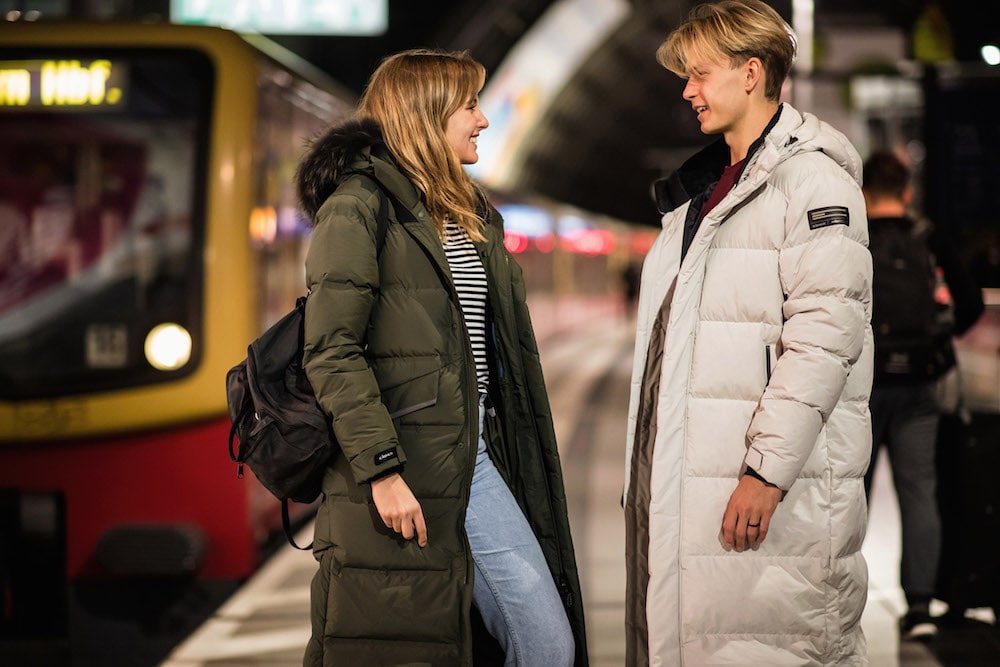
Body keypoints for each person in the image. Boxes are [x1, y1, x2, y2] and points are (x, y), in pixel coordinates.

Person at [295, 49, 587, 666]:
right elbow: (331, 349)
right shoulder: (360, 205)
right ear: (427, 115)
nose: (483, 120)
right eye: (470, 106)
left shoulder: (465, 210)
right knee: (536, 645)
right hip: (409, 463)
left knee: (517, 643)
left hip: (473, 453)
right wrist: (380, 469)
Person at [622, 2, 874, 664]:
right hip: (700, 488)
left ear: (752, 72)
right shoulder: (700, 198)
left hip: (762, 498)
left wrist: (764, 471)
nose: (687, 91)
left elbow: (825, 338)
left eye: (700, 74)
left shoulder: (814, 185)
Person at [862, 149, 983, 641]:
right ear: (907, 192)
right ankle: (918, 606)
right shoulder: (927, 237)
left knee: (850, 494)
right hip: (918, 386)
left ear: (864, 192)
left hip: (861, 389)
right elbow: (970, 302)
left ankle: (836, 598)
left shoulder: (850, 235)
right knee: (919, 494)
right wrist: (939, 337)